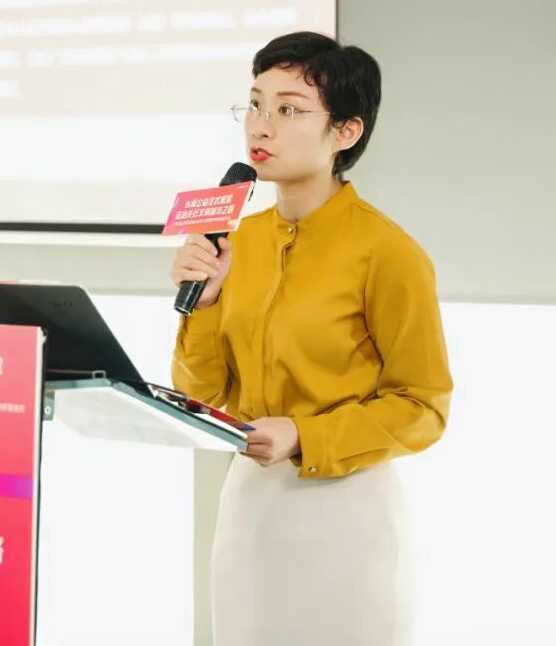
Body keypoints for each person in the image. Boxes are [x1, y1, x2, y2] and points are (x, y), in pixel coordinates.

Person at [170, 31, 453, 645]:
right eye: (255, 104)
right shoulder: (237, 241)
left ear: (345, 132)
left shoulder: (388, 253)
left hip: (344, 513)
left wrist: (305, 435)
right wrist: (205, 305)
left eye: (289, 109)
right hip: (249, 508)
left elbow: (423, 408)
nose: (262, 125)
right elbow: (203, 394)